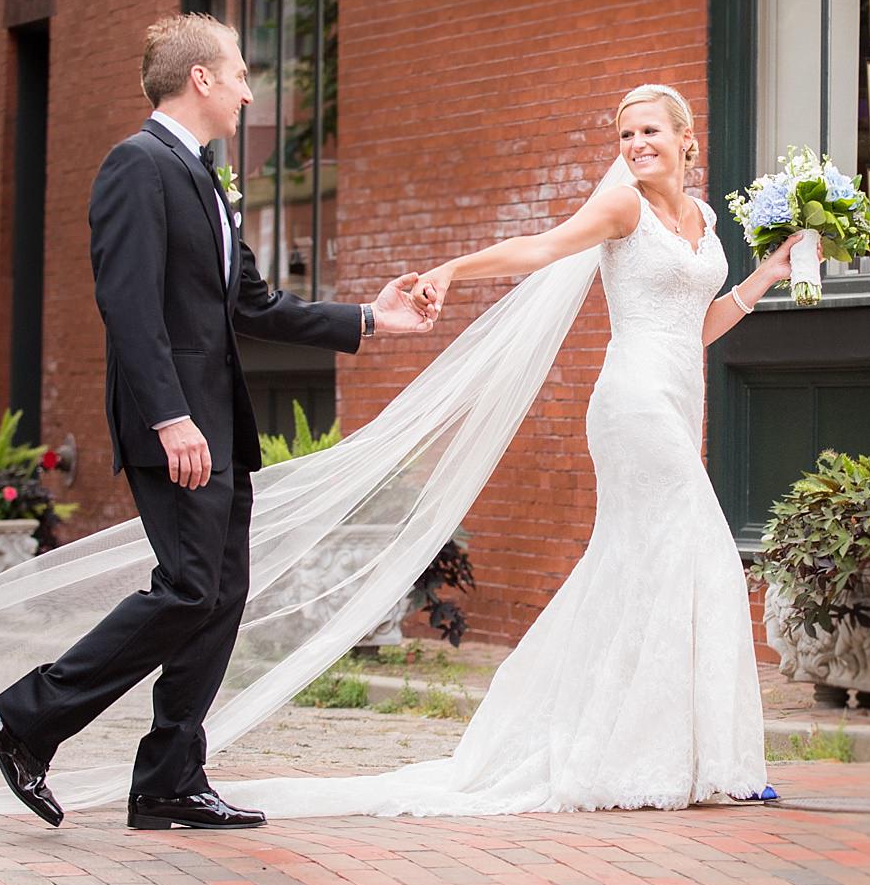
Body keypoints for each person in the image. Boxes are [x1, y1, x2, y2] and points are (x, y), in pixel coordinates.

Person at [212, 83, 803, 818]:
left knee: (646, 565)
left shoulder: (707, 221)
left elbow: (698, 329)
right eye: (625, 135)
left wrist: (763, 278)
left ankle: (684, 753)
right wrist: (452, 271)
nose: (635, 146)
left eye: (649, 131)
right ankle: (686, 757)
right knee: (702, 551)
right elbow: (543, 247)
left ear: (687, 140)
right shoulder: (624, 208)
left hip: (681, 402)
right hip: (633, 404)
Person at [0, 13, 436, 831]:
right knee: (188, 587)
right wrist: (171, 419)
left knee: (217, 597)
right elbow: (129, 307)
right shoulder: (136, 166)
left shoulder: (206, 178)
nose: (252, 90)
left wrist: (371, 319)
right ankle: (24, 718)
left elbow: (252, 304)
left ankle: (170, 782)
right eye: (242, 74)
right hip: (177, 427)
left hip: (218, 427)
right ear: (203, 80)